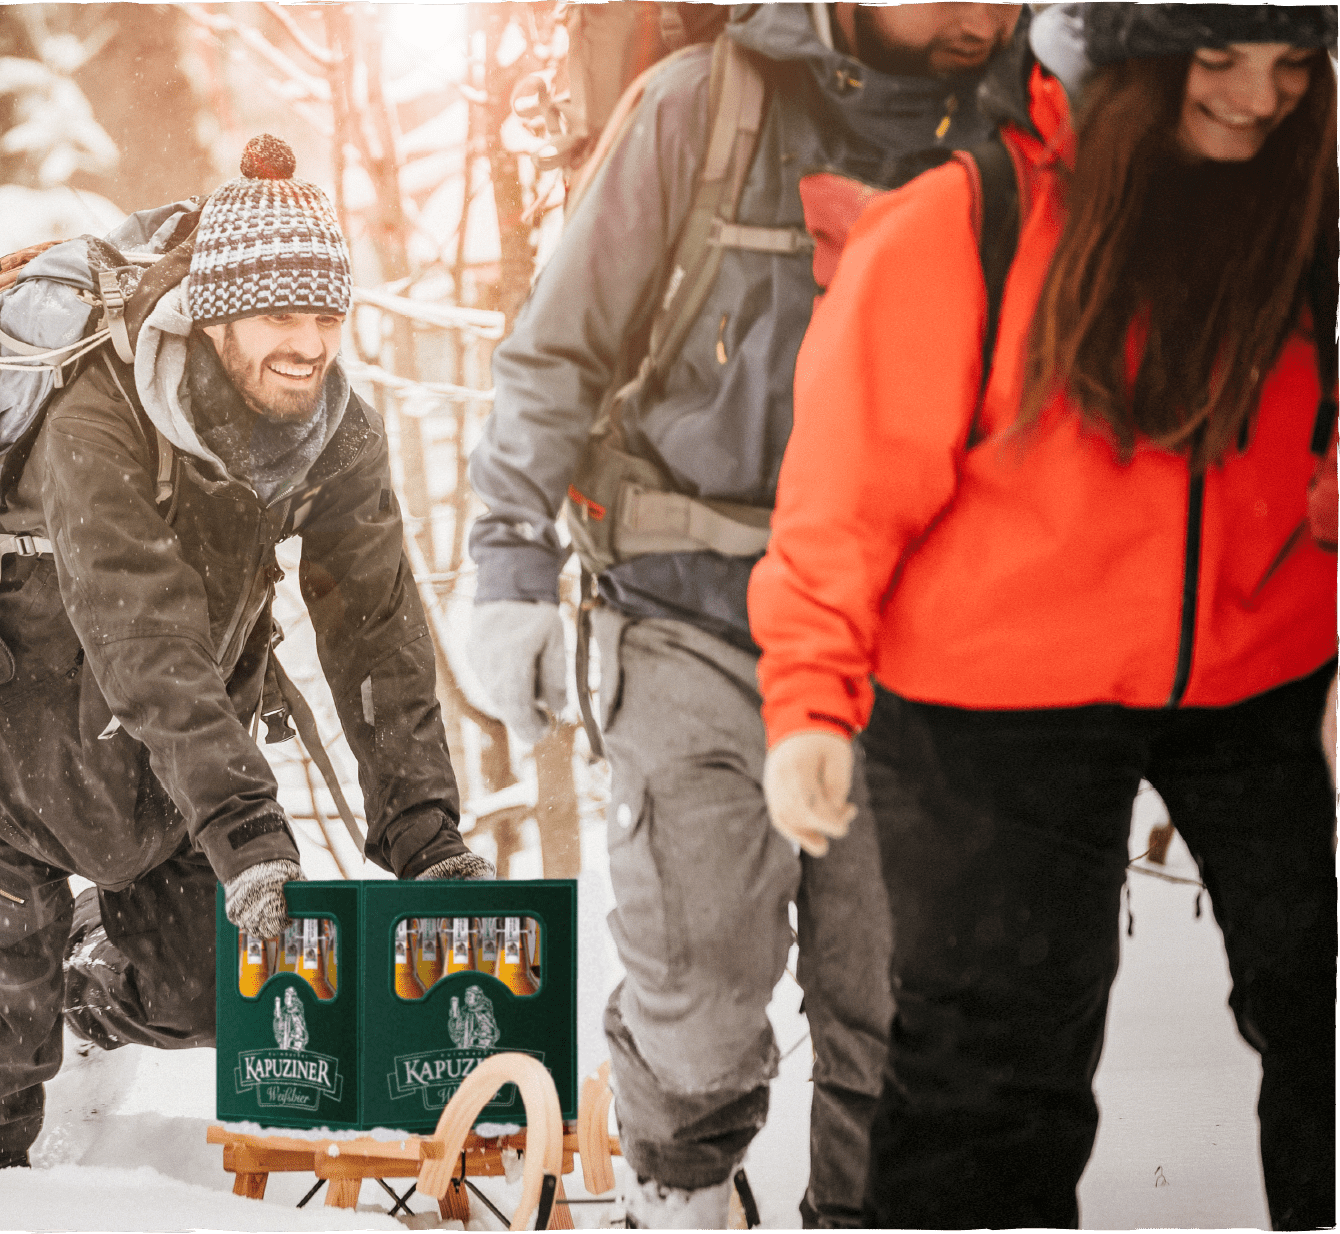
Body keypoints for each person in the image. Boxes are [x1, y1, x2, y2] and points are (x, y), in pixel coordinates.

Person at [749, 5, 1337, 1228]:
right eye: (1215, 58)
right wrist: (809, 698)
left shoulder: (1306, 213)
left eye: (1292, 62)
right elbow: (844, 492)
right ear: (1123, 62)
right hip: (991, 704)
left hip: (1261, 673)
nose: (1258, 96)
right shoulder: (960, 225)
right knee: (993, 1064)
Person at [467, 3, 1025, 1226]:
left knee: (897, 1002)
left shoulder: (1024, 133)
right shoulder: (698, 111)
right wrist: (506, 565)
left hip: (913, 643)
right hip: (686, 612)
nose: (979, 15)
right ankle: (682, 1187)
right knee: (703, 994)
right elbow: (553, 354)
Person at [0, 135, 489, 1173]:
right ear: (214, 313)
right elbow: (142, 628)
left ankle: (93, 968)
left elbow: (375, 628)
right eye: (277, 316)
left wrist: (423, 831)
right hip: (11, 763)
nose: (306, 344)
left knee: (218, 995)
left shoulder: (333, 431)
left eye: (323, 315)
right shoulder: (100, 419)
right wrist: (253, 837)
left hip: (169, 769)